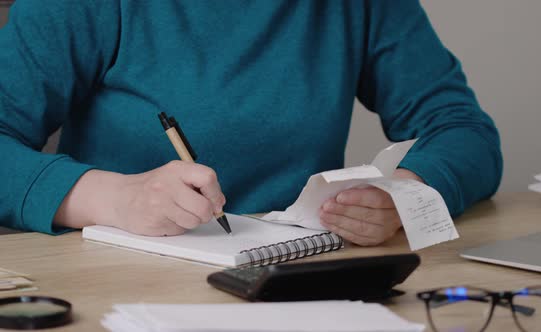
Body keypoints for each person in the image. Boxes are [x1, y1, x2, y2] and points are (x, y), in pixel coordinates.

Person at [0, 1, 502, 246]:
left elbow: (462, 128)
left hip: (299, 282)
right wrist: (117, 199)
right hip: (119, 283)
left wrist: (404, 195)